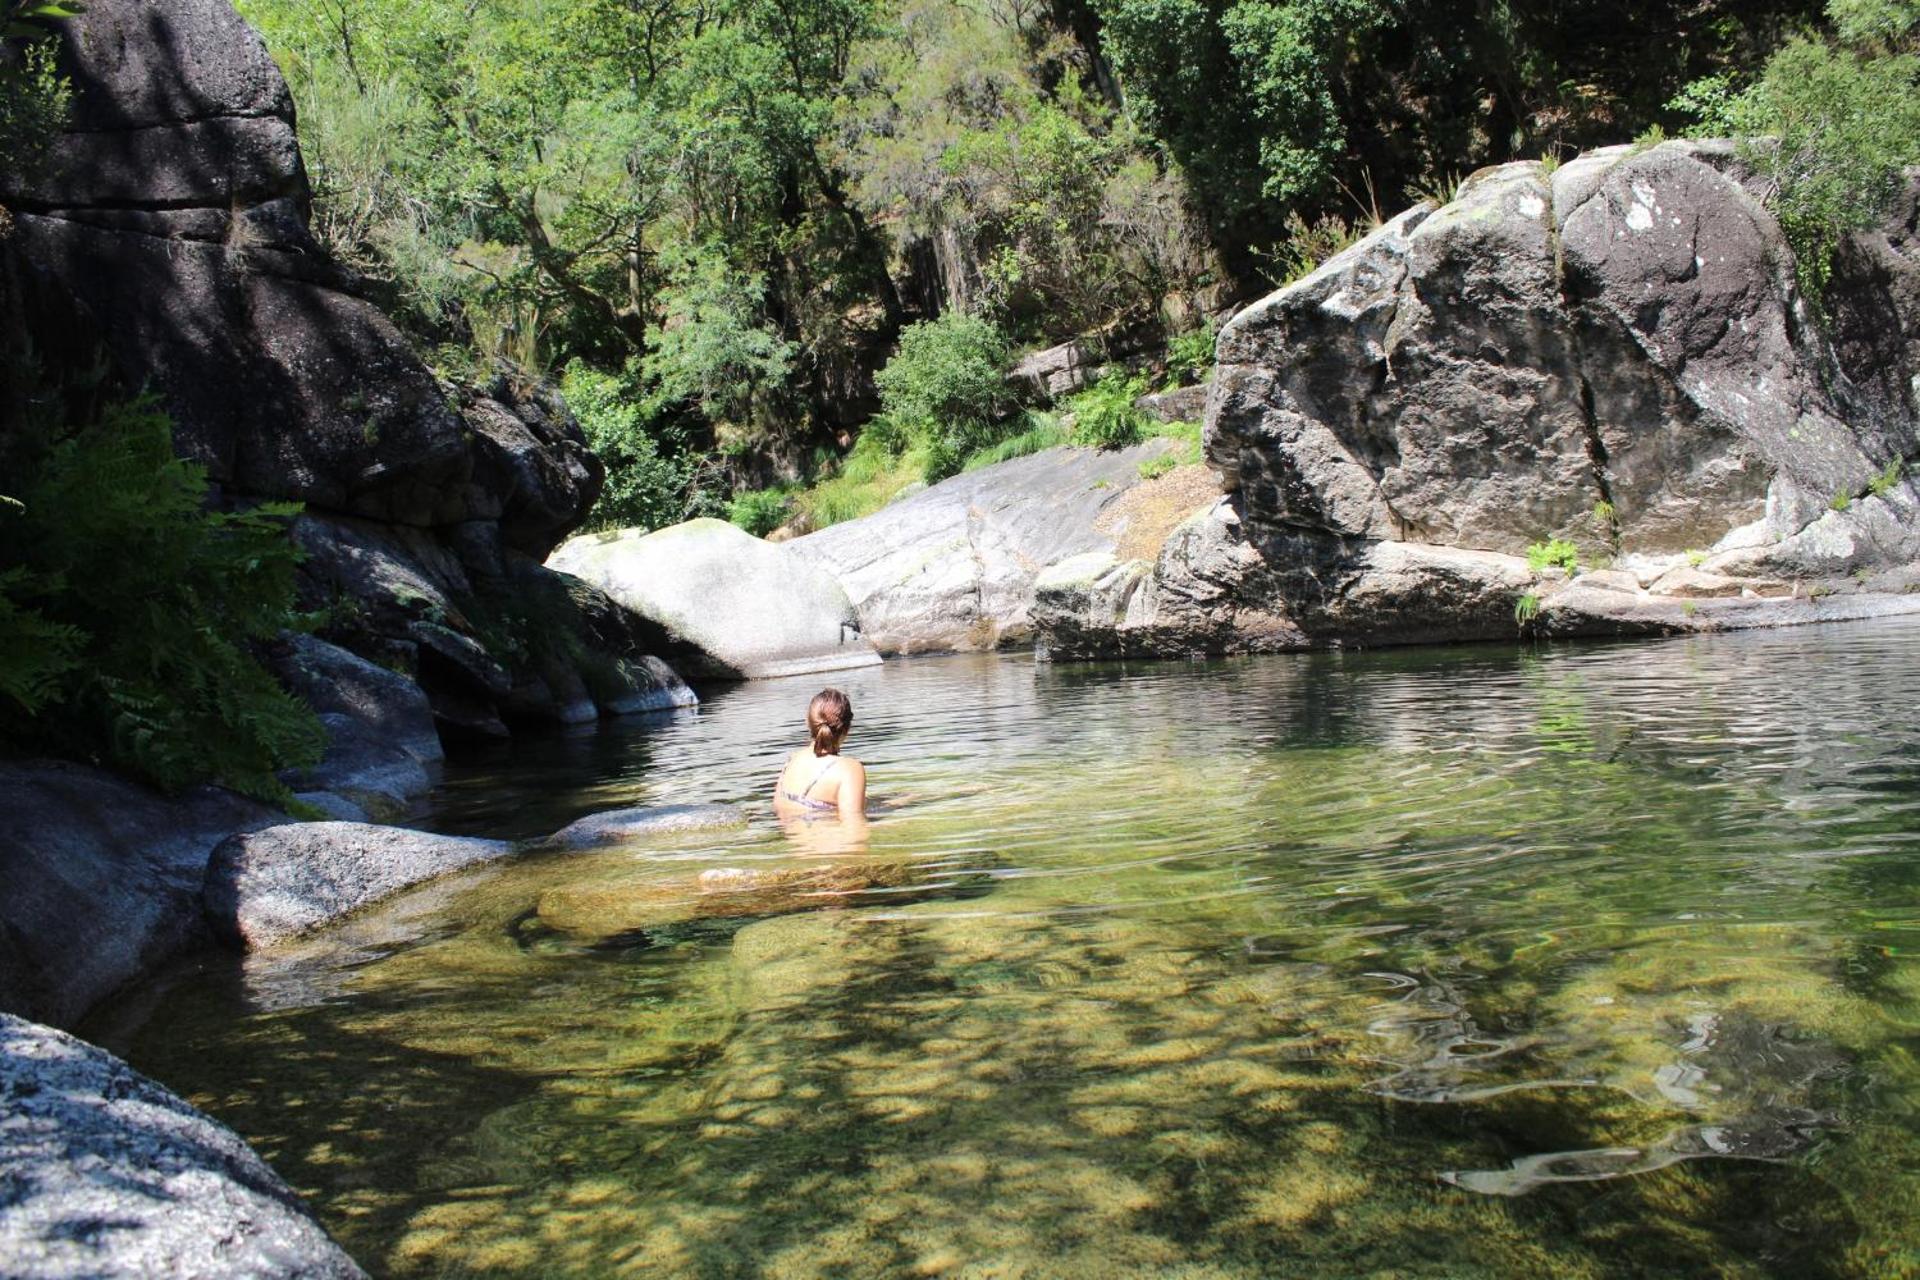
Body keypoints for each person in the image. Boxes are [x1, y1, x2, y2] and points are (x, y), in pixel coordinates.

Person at [772, 687, 867, 821]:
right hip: (827, 833)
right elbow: (854, 826)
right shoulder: (849, 769)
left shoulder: (791, 761)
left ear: (807, 722)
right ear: (847, 729)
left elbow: (778, 810)